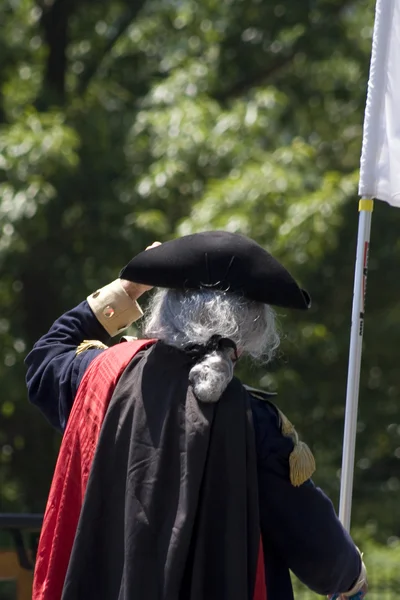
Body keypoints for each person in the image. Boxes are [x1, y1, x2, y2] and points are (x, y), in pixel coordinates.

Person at [25, 231, 367, 600]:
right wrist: (353, 578)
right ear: (252, 329)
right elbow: (323, 553)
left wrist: (127, 289)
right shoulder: (257, 422)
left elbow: (47, 355)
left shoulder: (99, 374)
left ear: (165, 307)